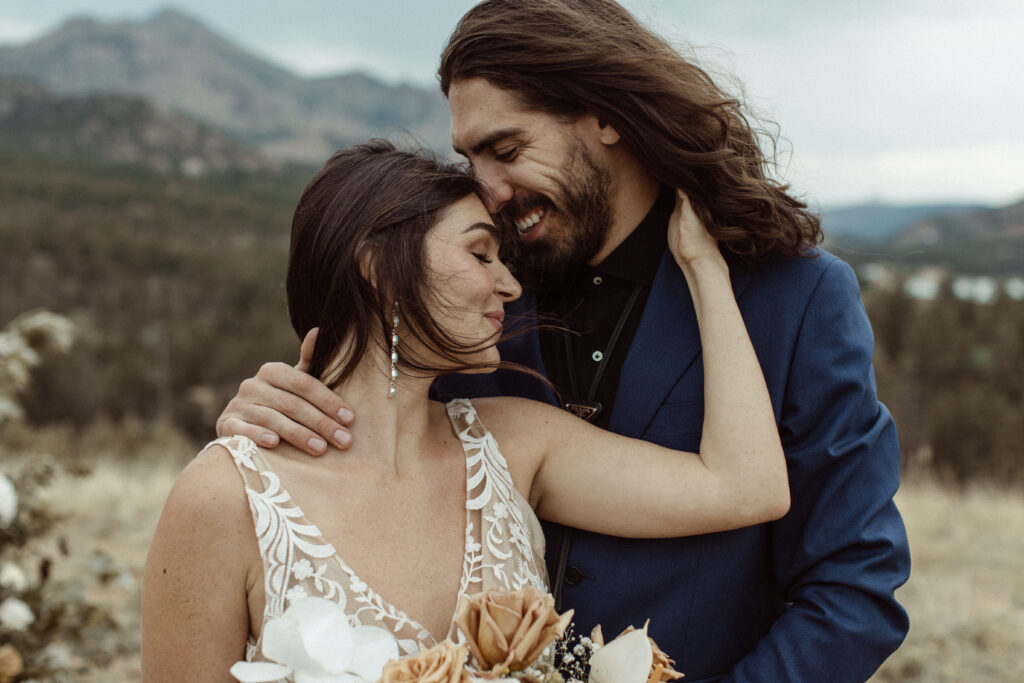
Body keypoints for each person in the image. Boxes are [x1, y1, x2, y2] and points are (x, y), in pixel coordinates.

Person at [215, 1, 911, 680]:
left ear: (606, 114)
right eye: (470, 157)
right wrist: (278, 410)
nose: (486, 190)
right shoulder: (469, 296)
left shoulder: (792, 298)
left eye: (506, 149)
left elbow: (853, 587)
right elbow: (368, 441)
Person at [142, 140, 788, 681]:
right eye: (481, 253)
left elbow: (746, 486)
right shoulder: (224, 498)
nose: (509, 284)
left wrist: (702, 266)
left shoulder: (517, 443)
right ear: (379, 270)